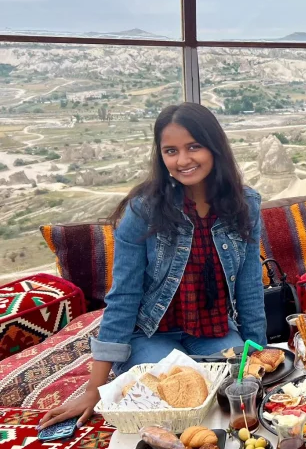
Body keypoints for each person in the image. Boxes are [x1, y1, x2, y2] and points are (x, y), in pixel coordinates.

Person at [39, 103, 267, 430]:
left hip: (213, 329)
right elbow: (124, 297)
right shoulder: (144, 211)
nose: (183, 160)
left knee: (236, 394)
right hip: (150, 334)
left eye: (193, 147)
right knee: (179, 400)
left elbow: (249, 290)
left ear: (215, 147)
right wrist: (94, 390)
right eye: (171, 151)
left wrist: (259, 357)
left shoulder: (245, 205)